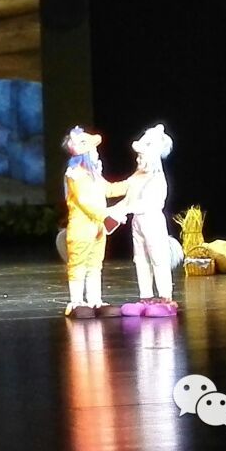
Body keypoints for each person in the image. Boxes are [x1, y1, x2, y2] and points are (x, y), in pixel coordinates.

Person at [108, 124, 177, 318]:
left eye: (142, 155)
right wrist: (112, 210)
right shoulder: (138, 175)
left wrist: (124, 209)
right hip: (138, 222)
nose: (139, 159)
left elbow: (147, 202)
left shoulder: (156, 178)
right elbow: (126, 194)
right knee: (140, 258)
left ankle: (165, 297)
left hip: (151, 220)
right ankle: (145, 296)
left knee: (158, 258)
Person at [61, 126, 127, 319]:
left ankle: (94, 300)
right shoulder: (75, 175)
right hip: (82, 227)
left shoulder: (94, 175)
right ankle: (76, 301)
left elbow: (110, 190)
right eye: (92, 149)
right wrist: (106, 215)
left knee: (95, 264)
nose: (95, 152)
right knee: (78, 264)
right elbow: (84, 201)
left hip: (97, 228)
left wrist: (132, 184)